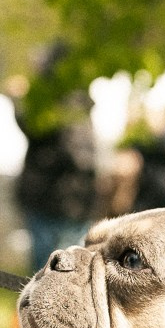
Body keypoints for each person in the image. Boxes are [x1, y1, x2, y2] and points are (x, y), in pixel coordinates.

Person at [9, 47, 99, 272]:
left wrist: (18, 101)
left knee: (53, 269)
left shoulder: (58, 100)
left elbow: (37, 131)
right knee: (63, 267)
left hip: (58, 198)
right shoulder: (78, 99)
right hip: (68, 199)